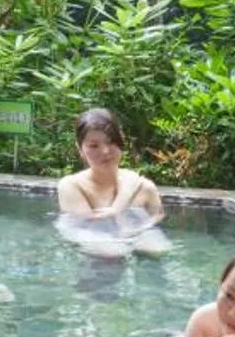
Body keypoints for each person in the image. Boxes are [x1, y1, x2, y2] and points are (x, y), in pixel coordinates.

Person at [55, 107, 169, 258]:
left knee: (156, 248)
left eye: (110, 142)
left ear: (121, 140)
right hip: (97, 265)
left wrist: (135, 232)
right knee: (111, 252)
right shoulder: (72, 186)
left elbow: (157, 219)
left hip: (141, 259)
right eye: (94, 145)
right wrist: (123, 199)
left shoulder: (145, 188)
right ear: (80, 149)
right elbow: (85, 232)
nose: (105, 151)